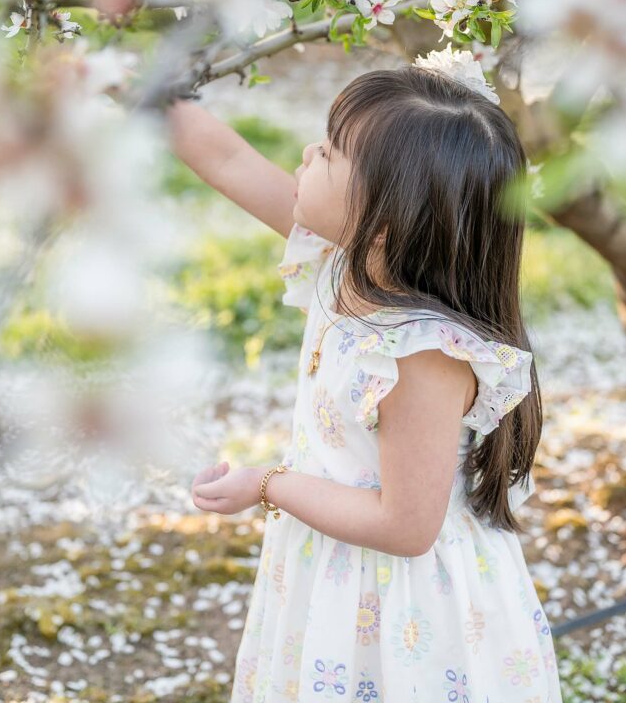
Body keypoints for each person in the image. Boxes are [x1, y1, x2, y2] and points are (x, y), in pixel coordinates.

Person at [167, 54, 563, 703]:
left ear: (384, 220)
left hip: (408, 610)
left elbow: (406, 527)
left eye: (327, 153)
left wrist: (265, 484)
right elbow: (230, 162)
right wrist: (137, 93)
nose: (305, 153)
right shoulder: (343, 262)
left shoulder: (418, 356)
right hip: (334, 568)